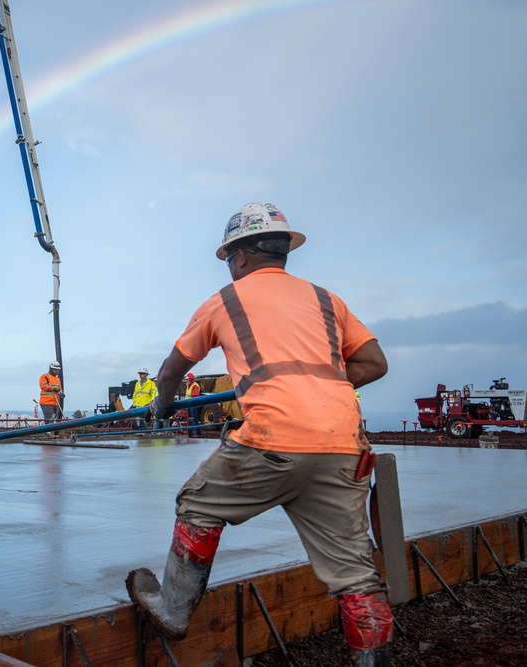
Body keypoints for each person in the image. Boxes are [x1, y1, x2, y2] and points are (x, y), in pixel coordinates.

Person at [125, 202, 393, 664]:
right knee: (355, 576)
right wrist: (318, 381)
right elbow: (374, 364)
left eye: (229, 258)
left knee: (197, 504)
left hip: (272, 437)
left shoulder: (224, 302)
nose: (230, 267)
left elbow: (171, 371)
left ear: (241, 256)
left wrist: (163, 408)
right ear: (283, 249)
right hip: (343, 445)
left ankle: (172, 610)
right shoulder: (329, 301)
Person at [184, 372, 202, 437]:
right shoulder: (189, 386)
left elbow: (194, 395)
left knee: (194, 419)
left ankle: (197, 433)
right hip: (189, 405)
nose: (186, 381)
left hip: (193, 405)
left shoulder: (194, 385)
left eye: (187, 379)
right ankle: (190, 433)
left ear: (190, 379)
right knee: (190, 419)